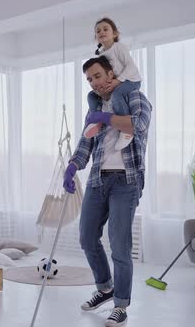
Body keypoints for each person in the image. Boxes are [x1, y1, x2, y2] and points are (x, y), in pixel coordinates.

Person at [64, 55, 152, 327]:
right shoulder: (95, 107)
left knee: (120, 245)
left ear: (111, 73)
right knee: (87, 237)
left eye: (97, 75)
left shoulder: (135, 96)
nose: (94, 82)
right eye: (89, 79)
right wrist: (72, 166)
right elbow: (85, 143)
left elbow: (139, 125)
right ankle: (105, 288)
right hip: (97, 180)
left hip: (126, 181)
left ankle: (121, 305)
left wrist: (108, 117)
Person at [84, 17, 143, 151]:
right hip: (117, 81)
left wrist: (118, 80)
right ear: (96, 38)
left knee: (117, 94)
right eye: (98, 31)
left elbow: (131, 67)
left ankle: (126, 131)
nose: (101, 32)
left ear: (115, 34)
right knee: (91, 96)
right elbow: (105, 73)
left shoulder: (118, 48)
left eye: (105, 29)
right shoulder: (100, 55)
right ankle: (95, 120)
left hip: (131, 80)